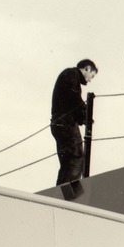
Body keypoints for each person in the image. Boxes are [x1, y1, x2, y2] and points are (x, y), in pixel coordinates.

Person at [50, 58, 98, 186]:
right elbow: (74, 98)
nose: (89, 80)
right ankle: (69, 197)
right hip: (66, 124)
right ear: (87, 68)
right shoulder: (72, 75)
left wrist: (83, 116)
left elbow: (71, 101)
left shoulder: (70, 76)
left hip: (60, 123)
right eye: (91, 75)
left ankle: (62, 195)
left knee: (68, 162)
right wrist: (86, 113)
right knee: (76, 158)